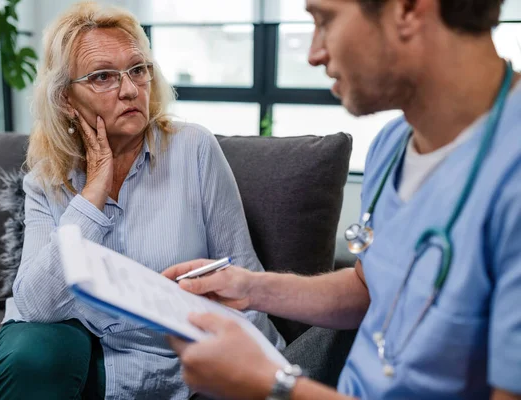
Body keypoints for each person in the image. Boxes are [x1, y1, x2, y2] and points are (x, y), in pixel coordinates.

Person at [163, 0, 521, 399]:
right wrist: (249, 287)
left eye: (325, 21)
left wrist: (274, 387)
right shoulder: (392, 145)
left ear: (408, 9)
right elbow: (367, 288)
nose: (315, 53)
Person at [0, 2, 284, 399]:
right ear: (67, 101)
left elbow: (240, 273)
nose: (129, 89)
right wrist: (92, 197)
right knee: (35, 353)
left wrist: (277, 375)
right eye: (102, 77)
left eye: (137, 70)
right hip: (75, 353)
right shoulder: (46, 177)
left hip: (165, 363)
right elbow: (36, 306)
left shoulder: (193, 148)